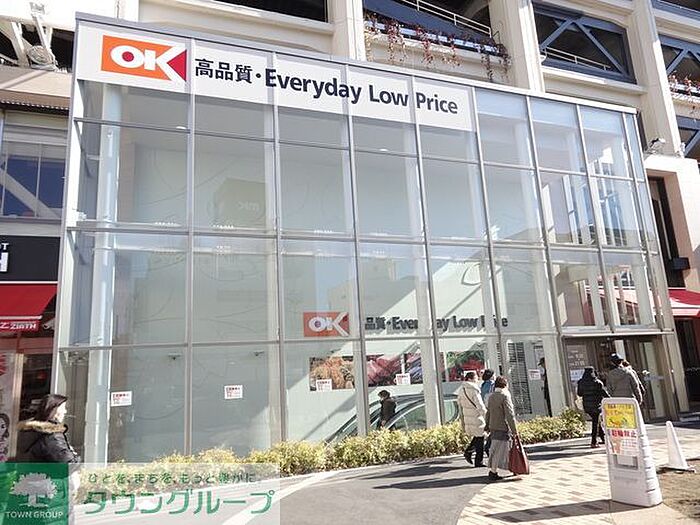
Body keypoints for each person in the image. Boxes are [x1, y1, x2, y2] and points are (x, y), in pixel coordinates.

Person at [16, 394, 80, 463]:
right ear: (54, 409)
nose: (65, 411)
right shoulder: (52, 436)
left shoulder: (29, 432)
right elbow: (70, 465)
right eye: (63, 407)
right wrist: (74, 456)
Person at [484, 376, 518, 481]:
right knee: (501, 450)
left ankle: (510, 469)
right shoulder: (505, 396)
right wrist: (514, 430)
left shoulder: (491, 396)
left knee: (497, 449)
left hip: (493, 426)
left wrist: (487, 425)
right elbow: (510, 415)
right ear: (505, 385)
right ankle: (494, 471)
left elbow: (488, 412)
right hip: (503, 427)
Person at [457, 371, 487, 467]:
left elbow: (459, 403)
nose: (477, 379)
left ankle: (469, 452)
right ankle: (478, 460)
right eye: (476, 377)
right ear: (470, 379)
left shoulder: (461, 389)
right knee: (480, 437)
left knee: (478, 437)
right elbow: (480, 405)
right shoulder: (474, 389)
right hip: (476, 416)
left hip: (468, 416)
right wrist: (486, 415)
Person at [576, 367, 610, 448]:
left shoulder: (581, 382)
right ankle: (593, 441)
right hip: (596, 404)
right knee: (595, 422)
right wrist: (610, 399)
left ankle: (603, 438)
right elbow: (604, 393)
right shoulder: (597, 382)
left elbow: (579, 393)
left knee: (596, 421)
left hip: (587, 405)